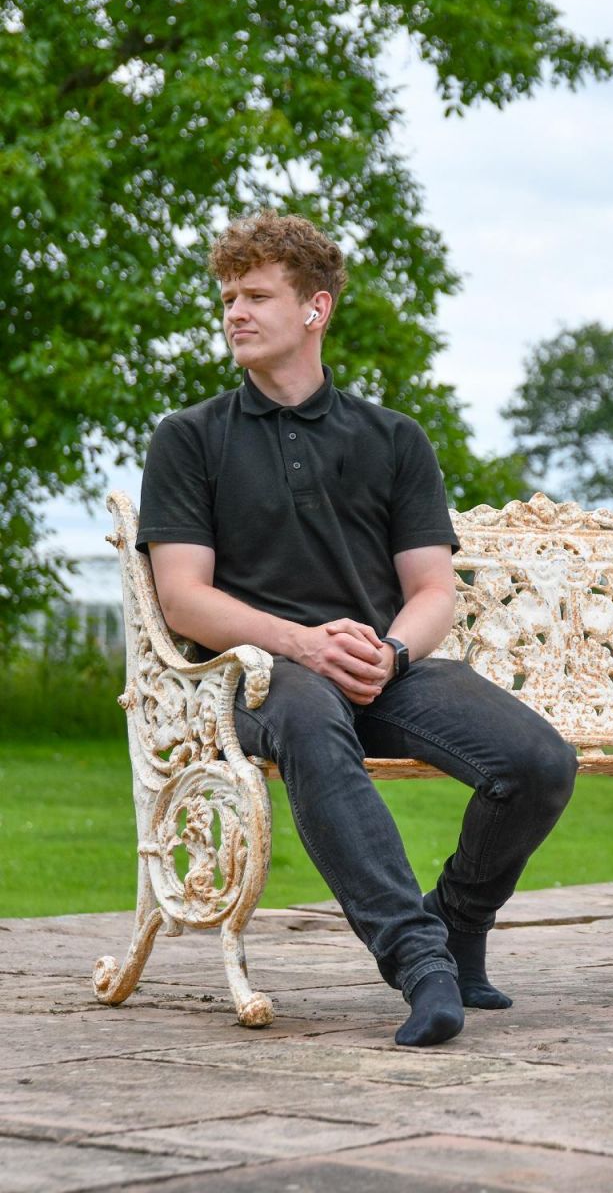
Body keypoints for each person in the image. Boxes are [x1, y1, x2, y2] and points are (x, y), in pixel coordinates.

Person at [136, 210, 577, 1047]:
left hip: (379, 669)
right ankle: (419, 963)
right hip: (252, 676)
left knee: (537, 760)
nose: (235, 311)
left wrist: (393, 650)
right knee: (304, 710)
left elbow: (432, 590)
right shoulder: (189, 440)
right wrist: (299, 643)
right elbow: (184, 598)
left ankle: (455, 921)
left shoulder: (393, 440)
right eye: (228, 295)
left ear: (316, 309)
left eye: (257, 294)